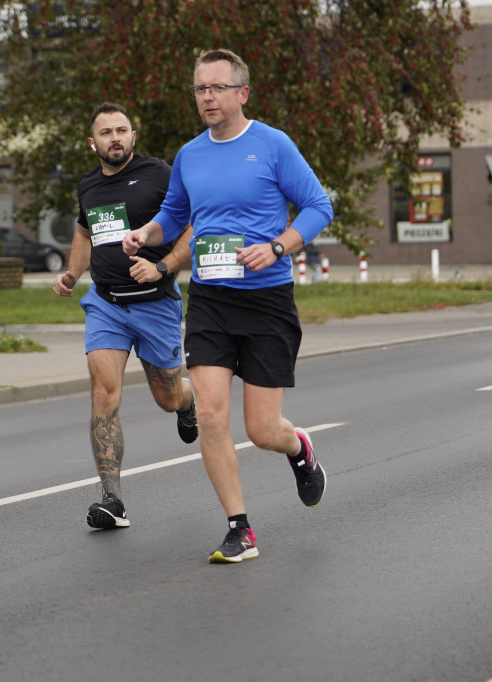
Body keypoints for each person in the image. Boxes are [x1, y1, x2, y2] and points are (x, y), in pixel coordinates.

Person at [122, 49, 333, 563]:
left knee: (262, 431)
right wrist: (144, 234)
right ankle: (240, 528)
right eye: (200, 89)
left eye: (217, 88)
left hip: (266, 301)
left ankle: (299, 448)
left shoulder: (272, 145)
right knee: (213, 416)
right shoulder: (190, 154)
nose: (207, 97)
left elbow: (318, 206)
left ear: (242, 92)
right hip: (211, 299)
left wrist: (278, 246)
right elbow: (173, 214)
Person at [53, 102, 197, 530]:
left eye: (122, 130)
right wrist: (72, 272)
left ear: (133, 136)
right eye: (106, 132)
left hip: (156, 302)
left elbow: (192, 226)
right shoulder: (88, 185)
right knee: (103, 393)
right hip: (106, 304)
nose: (115, 137)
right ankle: (112, 499)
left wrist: (164, 266)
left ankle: (187, 401)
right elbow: (84, 231)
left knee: (166, 396)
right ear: (92, 142)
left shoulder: (160, 174)